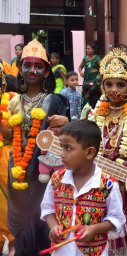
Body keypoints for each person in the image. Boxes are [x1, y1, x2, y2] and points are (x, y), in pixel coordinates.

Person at [4, 39, 70, 255]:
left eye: (38, 66)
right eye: (27, 65)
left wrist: (68, 123)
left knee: (46, 230)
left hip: (47, 174)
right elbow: (10, 135)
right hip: (19, 171)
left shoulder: (56, 101)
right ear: (20, 68)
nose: (32, 70)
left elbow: (72, 140)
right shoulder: (14, 101)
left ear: (46, 71)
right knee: (23, 237)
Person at [88, 48, 127, 256]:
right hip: (98, 185)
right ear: (102, 86)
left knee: (125, 233)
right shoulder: (93, 116)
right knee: (99, 235)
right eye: (109, 84)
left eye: (121, 84)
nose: (114, 90)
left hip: (126, 186)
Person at [40, 120, 126, 256]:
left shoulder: (107, 184)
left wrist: (93, 229)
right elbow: (48, 208)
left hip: (94, 252)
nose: (62, 153)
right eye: (62, 147)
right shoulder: (57, 179)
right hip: (61, 251)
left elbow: (116, 218)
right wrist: (54, 226)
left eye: (68, 148)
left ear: (90, 153)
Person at [0, 66, 16, 256]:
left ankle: (13, 243)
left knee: (10, 202)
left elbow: (17, 134)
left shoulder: (12, 100)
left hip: (7, 158)